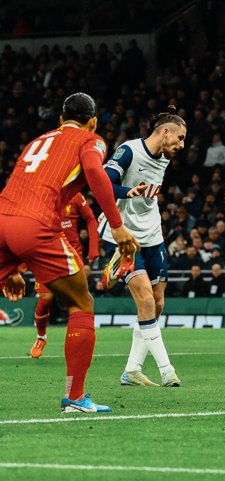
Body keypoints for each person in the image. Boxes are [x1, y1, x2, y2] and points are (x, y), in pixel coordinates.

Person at [0, 92, 139, 413]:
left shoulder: (37, 141)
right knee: (82, 302)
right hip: (36, 224)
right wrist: (116, 226)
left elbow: (20, 190)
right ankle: (75, 397)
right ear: (92, 121)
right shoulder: (90, 139)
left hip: (4, 220)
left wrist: (13, 267)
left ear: (60, 119)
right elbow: (95, 174)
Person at [99, 106, 186, 388]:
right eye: (180, 138)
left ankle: (132, 369)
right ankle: (167, 370)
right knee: (146, 301)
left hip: (153, 235)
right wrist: (126, 191)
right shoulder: (128, 151)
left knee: (158, 304)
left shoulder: (165, 156)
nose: (182, 145)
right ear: (165, 132)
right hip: (125, 237)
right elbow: (102, 183)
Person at [30, 192, 100, 359]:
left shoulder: (76, 196)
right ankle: (41, 337)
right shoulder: (44, 195)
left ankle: (83, 340)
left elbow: (91, 219)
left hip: (72, 255)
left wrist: (93, 248)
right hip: (47, 255)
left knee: (80, 301)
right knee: (44, 300)